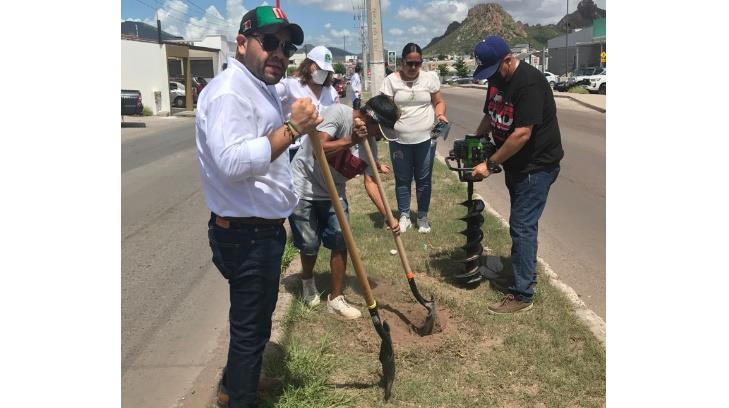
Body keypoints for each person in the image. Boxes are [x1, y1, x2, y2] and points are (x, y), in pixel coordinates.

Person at [194, 6, 321, 407]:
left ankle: (235, 384)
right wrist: (293, 128)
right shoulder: (231, 91)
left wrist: (315, 111)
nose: (280, 53)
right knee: (250, 330)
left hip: (259, 229)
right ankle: (239, 398)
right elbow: (231, 162)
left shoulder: (260, 86)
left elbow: (295, 92)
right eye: (269, 42)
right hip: (244, 234)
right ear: (243, 43)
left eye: (286, 46)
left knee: (256, 322)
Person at [470, 35, 564, 315]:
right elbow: (490, 114)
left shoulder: (530, 83)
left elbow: (522, 134)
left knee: (522, 225)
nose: (491, 79)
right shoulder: (497, 79)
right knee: (521, 223)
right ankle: (521, 275)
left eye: (493, 70)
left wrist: (490, 163)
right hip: (516, 165)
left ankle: (522, 294)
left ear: (508, 60)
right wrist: (476, 139)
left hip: (537, 166)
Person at [289, 95, 401, 318]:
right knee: (309, 243)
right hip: (304, 185)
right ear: (369, 118)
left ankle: (336, 298)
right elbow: (317, 148)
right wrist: (351, 140)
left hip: (334, 192)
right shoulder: (339, 114)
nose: (379, 136)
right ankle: (307, 280)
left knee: (341, 239)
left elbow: (371, 183)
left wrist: (388, 216)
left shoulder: (369, 147)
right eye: (379, 130)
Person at [380, 43, 447, 233]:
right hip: (399, 140)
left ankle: (423, 217)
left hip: (426, 139)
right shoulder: (391, 81)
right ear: (402, 62)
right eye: (409, 63)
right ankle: (404, 216)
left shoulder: (430, 79)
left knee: (424, 179)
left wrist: (440, 114)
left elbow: (439, 101)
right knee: (402, 179)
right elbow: (383, 108)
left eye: (417, 63)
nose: (413, 68)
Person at [276, 45, 340, 161]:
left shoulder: (331, 92)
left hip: (318, 151)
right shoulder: (290, 85)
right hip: (292, 150)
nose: (322, 72)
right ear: (308, 64)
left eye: (326, 70)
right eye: (318, 68)